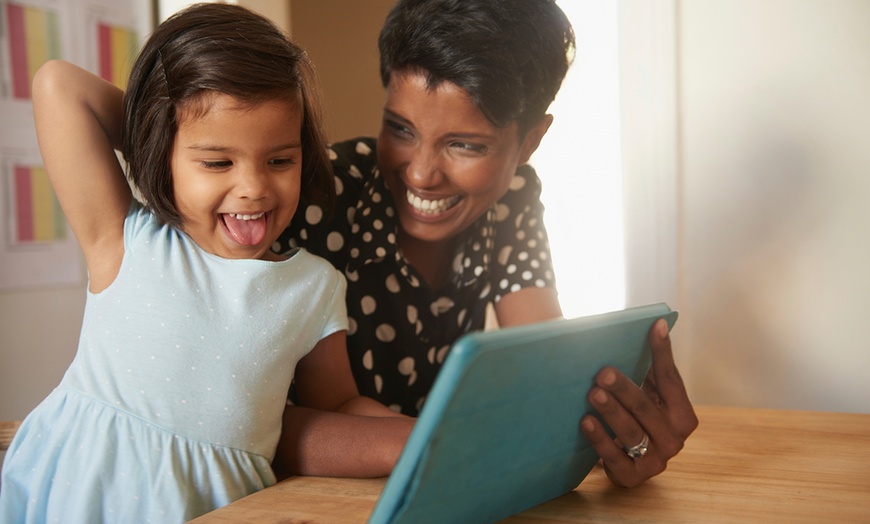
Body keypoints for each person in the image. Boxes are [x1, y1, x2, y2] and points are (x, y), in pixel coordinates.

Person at [0, 4, 411, 522]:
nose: (254, 187)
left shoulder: (314, 286)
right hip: (74, 499)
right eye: (218, 162)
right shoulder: (128, 240)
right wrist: (158, 148)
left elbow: (340, 406)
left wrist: (427, 431)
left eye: (280, 160)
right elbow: (59, 85)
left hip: (218, 510)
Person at [272, 0, 697, 488]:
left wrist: (604, 425)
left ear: (531, 142)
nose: (420, 174)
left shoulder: (512, 198)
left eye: (465, 145)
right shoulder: (313, 197)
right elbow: (259, 425)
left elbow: (547, 365)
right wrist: (466, 444)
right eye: (400, 128)